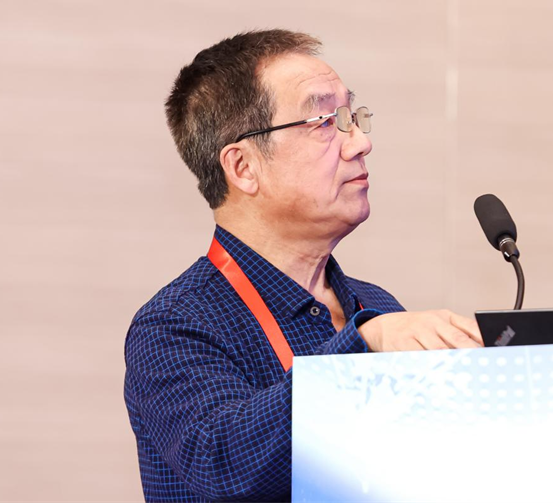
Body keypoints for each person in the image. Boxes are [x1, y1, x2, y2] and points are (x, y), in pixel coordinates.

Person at [124, 29, 484, 502]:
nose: (360, 143)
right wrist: (364, 346)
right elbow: (224, 463)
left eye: (352, 116)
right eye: (324, 121)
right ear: (243, 167)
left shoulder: (372, 304)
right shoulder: (176, 325)